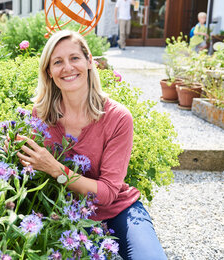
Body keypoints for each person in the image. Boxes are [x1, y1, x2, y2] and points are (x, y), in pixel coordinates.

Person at [14, 30, 167, 260]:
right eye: (57, 62)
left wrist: (57, 170)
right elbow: (34, 167)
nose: (67, 68)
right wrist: (16, 151)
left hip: (118, 210)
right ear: (49, 71)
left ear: (88, 61)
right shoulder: (41, 114)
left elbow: (106, 194)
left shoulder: (118, 118)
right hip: (66, 212)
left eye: (74, 58)